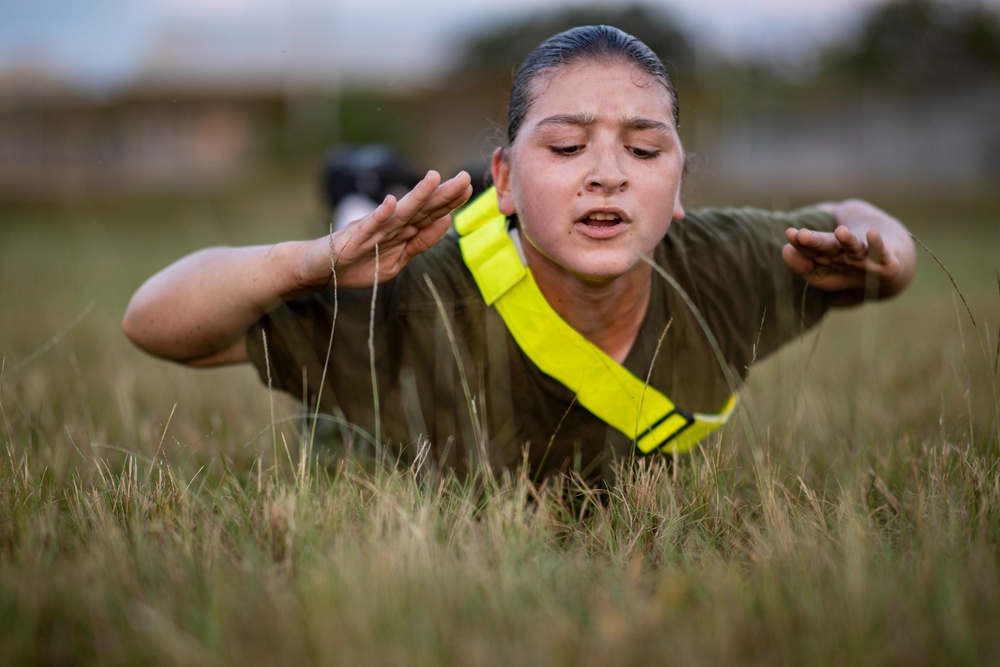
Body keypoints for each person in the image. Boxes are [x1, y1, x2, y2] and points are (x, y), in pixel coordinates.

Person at [123, 25, 916, 483]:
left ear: (680, 188)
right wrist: (314, 260)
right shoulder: (415, 299)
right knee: (375, 224)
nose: (608, 172)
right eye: (568, 144)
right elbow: (154, 320)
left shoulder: (722, 263)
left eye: (644, 151)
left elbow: (860, 221)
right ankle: (361, 194)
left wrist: (893, 257)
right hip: (372, 425)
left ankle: (385, 184)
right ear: (500, 179)